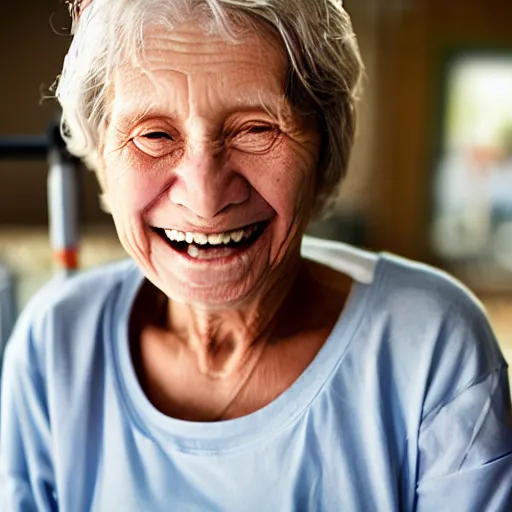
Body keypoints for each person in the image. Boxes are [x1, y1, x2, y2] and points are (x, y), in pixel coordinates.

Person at [1, 0, 511, 510]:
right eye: (154, 135)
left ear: (324, 150)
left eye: (256, 129)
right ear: (101, 160)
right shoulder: (55, 345)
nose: (205, 197)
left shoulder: (431, 347)